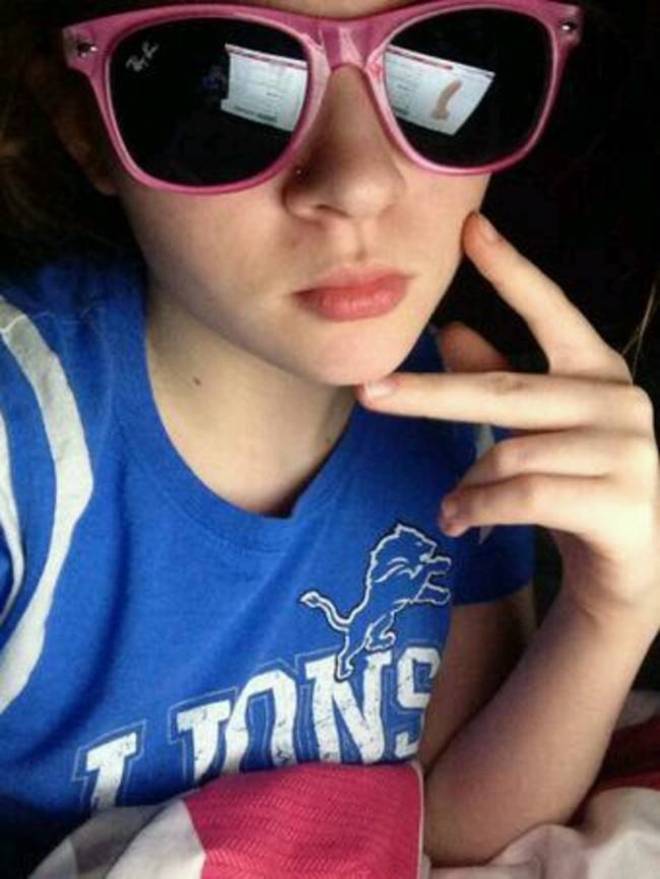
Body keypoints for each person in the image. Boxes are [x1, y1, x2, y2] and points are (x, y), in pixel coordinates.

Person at [0, 0, 658, 875]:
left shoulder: (459, 427)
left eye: (432, 66)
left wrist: (610, 610)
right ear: (86, 128)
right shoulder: (23, 451)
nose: (357, 182)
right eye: (232, 81)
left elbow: (445, 826)